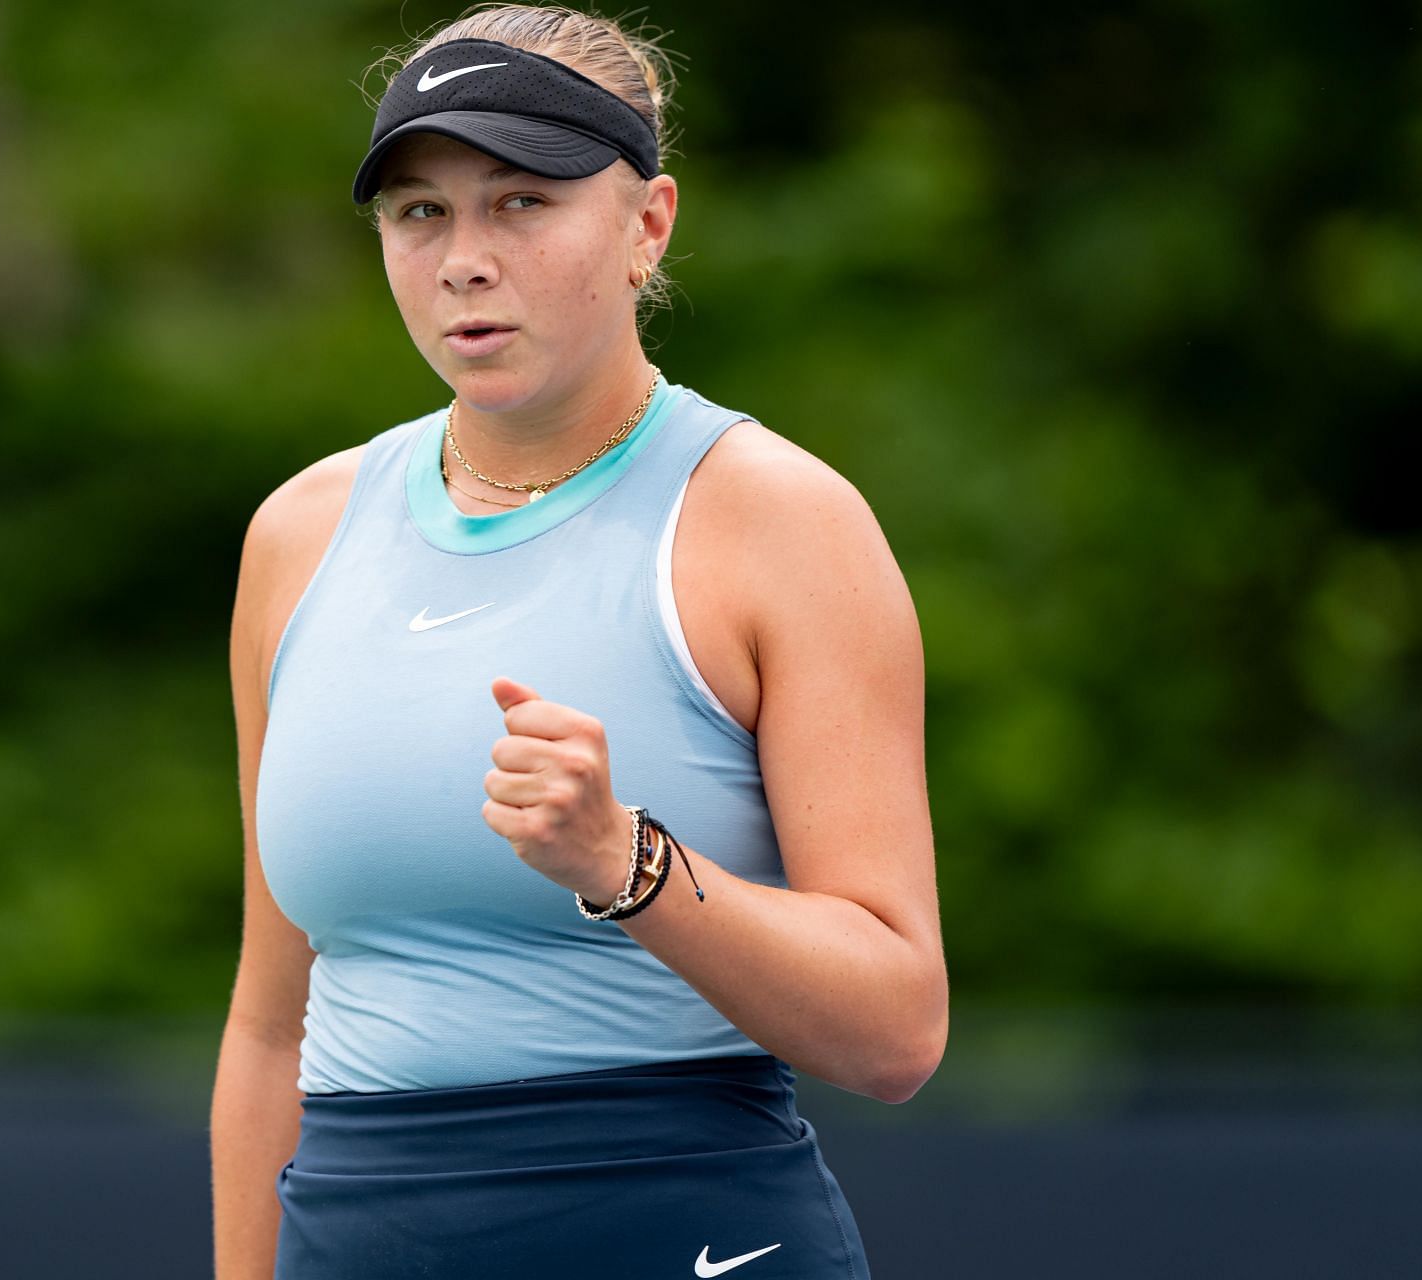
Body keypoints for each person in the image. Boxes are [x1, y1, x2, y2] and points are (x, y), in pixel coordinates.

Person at [211, 5, 946, 1277]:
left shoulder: (782, 522)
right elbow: (271, 1029)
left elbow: (897, 1027)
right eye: (420, 211)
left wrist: (628, 859)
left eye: (521, 202)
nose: (462, 259)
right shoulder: (299, 535)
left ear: (647, 223)